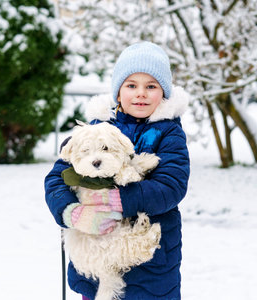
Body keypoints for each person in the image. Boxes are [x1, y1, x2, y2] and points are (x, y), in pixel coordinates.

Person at [44, 41, 190, 300]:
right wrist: (73, 213)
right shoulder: (95, 130)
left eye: (151, 86)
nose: (141, 94)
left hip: (151, 270)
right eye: (131, 85)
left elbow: (171, 186)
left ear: (164, 93)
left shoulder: (168, 133)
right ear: (118, 91)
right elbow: (58, 177)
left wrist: (117, 200)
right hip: (95, 267)